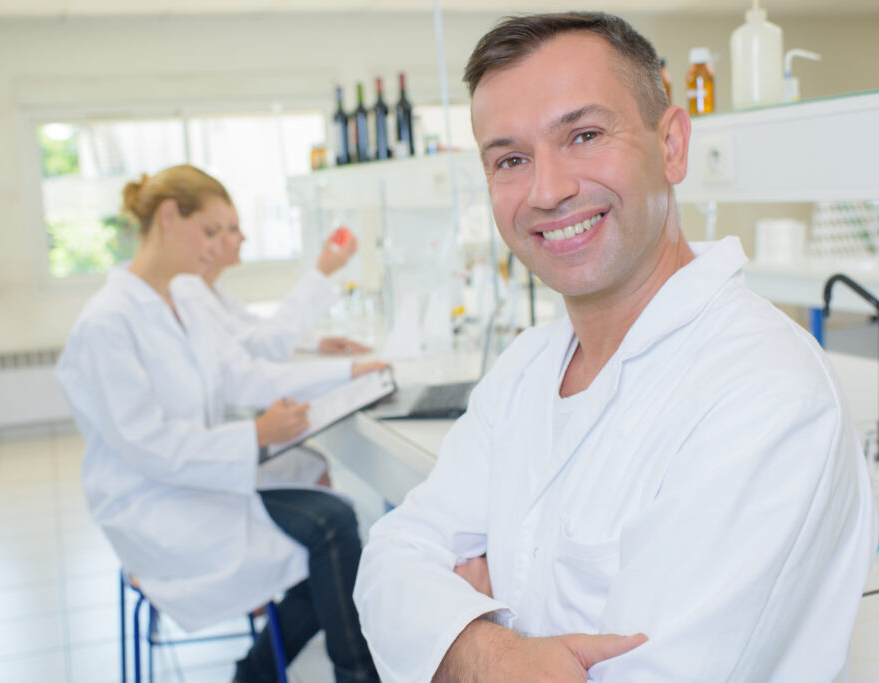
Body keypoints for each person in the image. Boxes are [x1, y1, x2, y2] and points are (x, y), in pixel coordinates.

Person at [353, 12, 877, 683]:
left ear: (672, 145)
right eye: (511, 158)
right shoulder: (527, 369)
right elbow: (391, 559)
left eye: (584, 134)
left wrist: (458, 621)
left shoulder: (764, 390)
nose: (548, 190)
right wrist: (495, 651)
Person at [56, 165, 382, 683]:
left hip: (202, 484)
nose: (218, 247)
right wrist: (255, 435)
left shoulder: (184, 300)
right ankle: (331, 674)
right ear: (167, 217)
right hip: (154, 505)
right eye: (210, 232)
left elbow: (245, 374)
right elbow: (150, 447)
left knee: (340, 521)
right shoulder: (107, 322)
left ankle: (260, 674)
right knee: (332, 528)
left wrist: (350, 373)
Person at [174, 209, 370, 362]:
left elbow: (258, 331)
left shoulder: (216, 292)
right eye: (232, 229)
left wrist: (316, 342)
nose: (243, 238)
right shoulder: (190, 295)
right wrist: (323, 270)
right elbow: (267, 346)